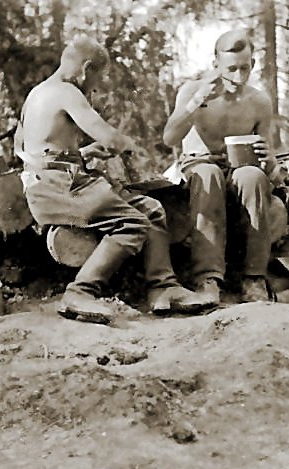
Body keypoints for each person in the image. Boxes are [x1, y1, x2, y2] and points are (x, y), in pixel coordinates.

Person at [15, 37, 213, 325]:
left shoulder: (39, 92)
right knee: (132, 223)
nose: (97, 85)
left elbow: (39, 149)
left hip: (58, 178)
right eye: (98, 76)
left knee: (151, 210)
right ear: (85, 69)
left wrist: (83, 153)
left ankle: (163, 287)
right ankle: (80, 292)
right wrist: (129, 145)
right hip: (55, 187)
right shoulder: (67, 92)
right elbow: (107, 135)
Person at [162, 29, 283, 304]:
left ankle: (254, 278)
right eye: (231, 69)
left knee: (253, 176)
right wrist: (197, 101)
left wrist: (269, 157)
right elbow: (169, 137)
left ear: (253, 64)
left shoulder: (258, 101)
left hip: (239, 168)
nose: (238, 77)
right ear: (215, 63)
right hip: (199, 166)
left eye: (245, 68)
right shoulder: (194, 90)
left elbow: (269, 157)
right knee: (208, 174)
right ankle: (208, 278)